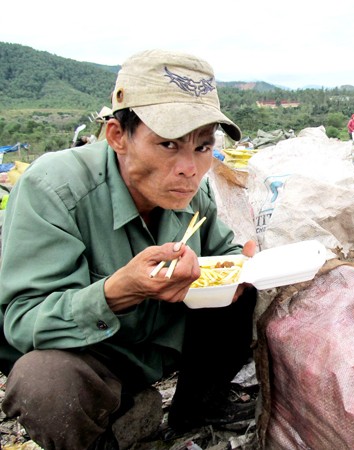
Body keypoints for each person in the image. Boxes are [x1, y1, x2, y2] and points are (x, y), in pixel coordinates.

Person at [0, 49, 258, 450]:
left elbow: (223, 252)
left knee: (244, 287)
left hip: (158, 339)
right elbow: (22, 320)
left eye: (203, 146)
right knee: (46, 383)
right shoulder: (53, 188)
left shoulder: (193, 188)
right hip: (89, 354)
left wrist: (245, 261)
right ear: (118, 136)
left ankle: (196, 409)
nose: (189, 167)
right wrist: (117, 292)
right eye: (169, 144)